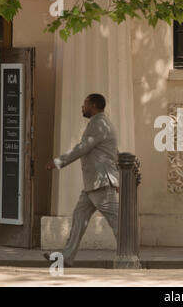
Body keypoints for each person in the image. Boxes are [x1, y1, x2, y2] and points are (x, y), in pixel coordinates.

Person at [44, 93, 119, 267]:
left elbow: (82, 148)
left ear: (93, 105)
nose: (82, 106)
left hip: (100, 183)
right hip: (94, 183)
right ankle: (66, 258)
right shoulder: (101, 123)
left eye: (84, 103)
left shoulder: (98, 124)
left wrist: (57, 162)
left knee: (117, 223)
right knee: (79, 219)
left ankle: (130, 254)